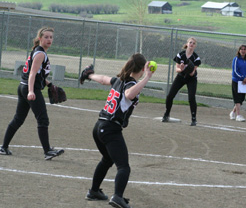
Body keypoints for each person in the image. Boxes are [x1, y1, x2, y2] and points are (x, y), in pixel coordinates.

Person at [80, 53, 154, 208]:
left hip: (99, 126)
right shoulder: (129, 84)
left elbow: (103, 80)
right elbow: (129, 94)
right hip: (110, 129)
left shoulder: (119, 80)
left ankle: (94, 191)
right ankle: (117, 197)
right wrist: (147, 77)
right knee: (124, 166)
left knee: (107, 159)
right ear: (141, 69)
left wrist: (90, 75)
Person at [0, 27, 64, 160]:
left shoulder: (38, 51)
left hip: (22, 87)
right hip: (29, 89)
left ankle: (3, 147)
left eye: (51, 37)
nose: (49, 39)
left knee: (18, 119)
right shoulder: (40, 54)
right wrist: (30, 91)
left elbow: (39, 74)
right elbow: (32, 74)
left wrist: (49, 84)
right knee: (43, 119)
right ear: (40, 38)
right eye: (46, 37)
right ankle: (47, 152)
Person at [162, 37, 201, 126]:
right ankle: (167, 114)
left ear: (195, 46)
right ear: (187, 44)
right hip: (181, 77)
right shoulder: (180, 55)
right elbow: (177, 69)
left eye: (194, 43)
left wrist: (187, 69)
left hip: (191, 79)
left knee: (191, 98)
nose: (192, 44)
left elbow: (192, 73)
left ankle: (194, 118)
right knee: (170, 96)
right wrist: (182, 69)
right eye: (190, 42)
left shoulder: (196, 58)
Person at [230, 45, 246, 122]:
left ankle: (232, 112)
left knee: (241, 99)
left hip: (245, 82)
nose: (243, 51)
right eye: (241, 49)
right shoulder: (236, 59)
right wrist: (242, 77)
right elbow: (235, 71)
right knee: (237, 98)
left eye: (244, 49)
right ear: (239, 50)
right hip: (237, 81)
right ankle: (238, 115)